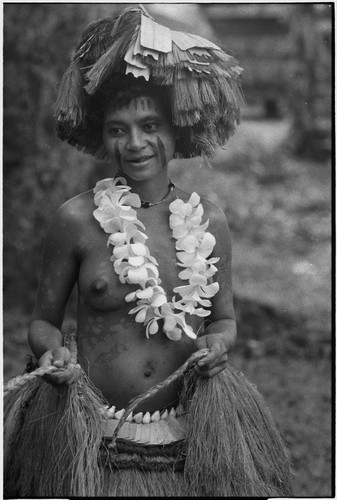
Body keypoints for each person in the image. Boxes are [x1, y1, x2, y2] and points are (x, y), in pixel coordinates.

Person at [4, 6, 293, 497]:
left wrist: (218, 345)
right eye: (118, 129)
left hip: (187, 434)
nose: (135, 143)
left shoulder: (209, 222)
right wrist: (51, 354)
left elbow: (224, 320)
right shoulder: (76, 220)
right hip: (91, 435)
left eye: (149, 125)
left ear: (174, 129)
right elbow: (43, 321)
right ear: (103, 137)